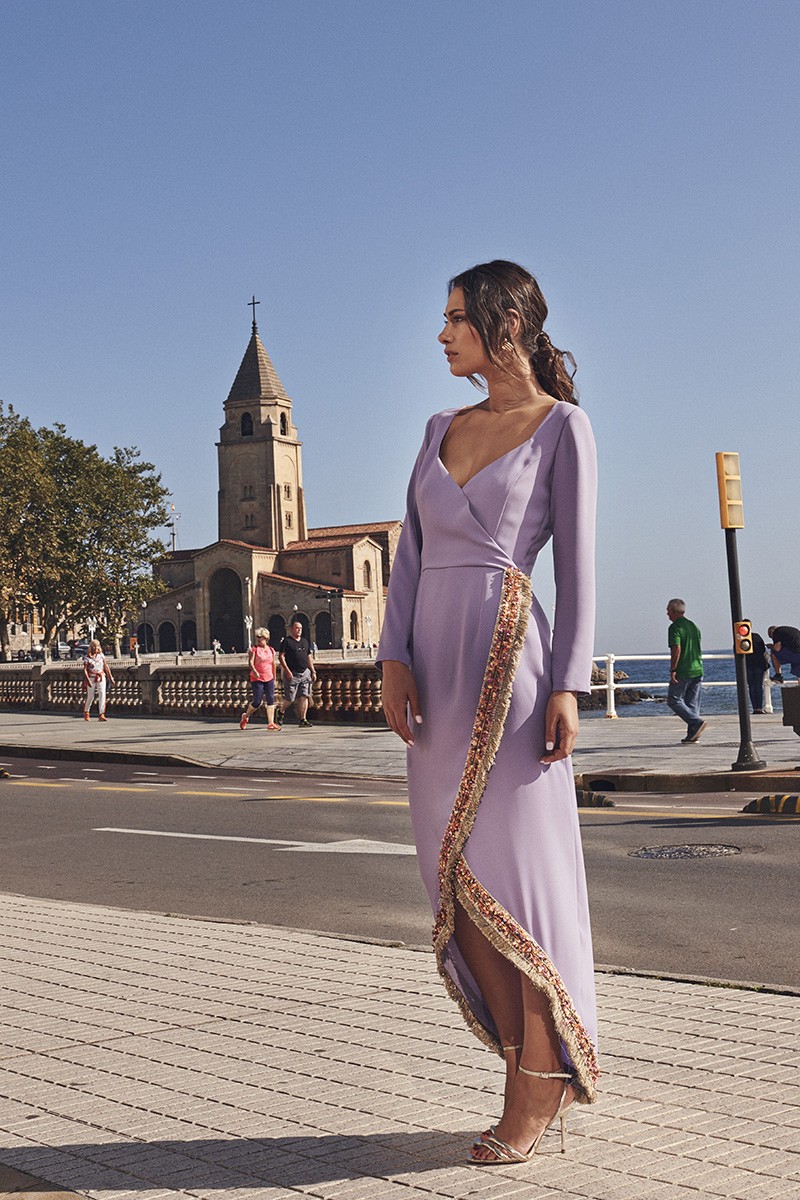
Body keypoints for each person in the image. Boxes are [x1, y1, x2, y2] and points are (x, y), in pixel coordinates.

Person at [378, 260, 598, 1166]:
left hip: (511, 665)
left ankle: (541, 1074)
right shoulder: (440, 427)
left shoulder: (562, 428)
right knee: (456, 885)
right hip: (432, 667)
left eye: (456, 318)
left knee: (518, 877)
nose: (441, 334)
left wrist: (571, 684)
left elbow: (579, 568)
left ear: (506, 323)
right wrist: (392, 656)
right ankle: (520, 1060)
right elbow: (408, 556)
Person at [666, 599, 705, 742]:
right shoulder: (693, 626)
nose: (667, 614)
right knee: (692, 703)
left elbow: (676, 648)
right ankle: (693, 734)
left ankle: (696, 722)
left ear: (674, 612)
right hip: (698, 669)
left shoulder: (675, 627)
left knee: (673, 700)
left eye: (668, 611)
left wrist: (673, 669)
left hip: (684, 670)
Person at [278, 618, 316, 727]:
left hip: (305, 673)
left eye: (300, 628)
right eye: (297, 628)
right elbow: (281, 657)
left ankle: (303, 719)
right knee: (290, 698)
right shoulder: (287, 641)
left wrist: (313, 671)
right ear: (291, 629)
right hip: (292, 673)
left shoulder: (304, 641)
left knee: (305, 695)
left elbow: (308, 657)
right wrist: (287, 671)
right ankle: (280, 712)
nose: (299, 630)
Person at [239, 628, 280, 731]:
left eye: (260, 638)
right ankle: (246, 715)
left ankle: (271, 723)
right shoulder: (254, 650)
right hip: (257, 678)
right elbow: (251, 662)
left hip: (269, 677)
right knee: (257, 701)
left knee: (271, 699)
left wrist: (274, 679)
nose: (258, 640)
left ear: (266, 638)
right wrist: (255, 671)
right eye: (257, 638)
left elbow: (273, 664)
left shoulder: (271, 650)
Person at [82, 639, 115, 721]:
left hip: (101, 676)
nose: (95, 649)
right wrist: (88, 680)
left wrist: (110, 678)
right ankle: (86, 712)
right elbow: (85, 670)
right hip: (92, 677)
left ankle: (101, 714)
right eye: (93, 647)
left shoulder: (101, 656)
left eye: (96, 647)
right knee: (90, 696)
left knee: (102, 694)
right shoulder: (87, 658)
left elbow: (106, 667)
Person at [746, 631, 769, 713]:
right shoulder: (756, 636)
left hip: (747, 665)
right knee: (758, 686)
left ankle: (755, 708)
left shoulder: (739, 638)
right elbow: (763, 649)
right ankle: (759, 707)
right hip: (759, 664)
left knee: (751, 686)